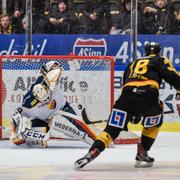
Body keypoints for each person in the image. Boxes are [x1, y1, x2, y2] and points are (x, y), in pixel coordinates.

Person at [74, 42, 180, 169]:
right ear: (159, 51)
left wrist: (133, 111)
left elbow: (127, 83)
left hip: (125, 98)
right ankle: (143, 153)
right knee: (157, 113)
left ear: (145, 52)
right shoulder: (160, 59)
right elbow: (172, 76)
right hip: (148, 95)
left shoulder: (133, 63)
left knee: (111, 130)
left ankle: (92, 151)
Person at [10, 60, 98, 147]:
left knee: (79, 128)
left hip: (62, 108)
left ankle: (99, 139)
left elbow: (54, 73)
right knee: (36, 142)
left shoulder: (52, 81)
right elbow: (23, 107)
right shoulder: (32, 96)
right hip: (42, 119)